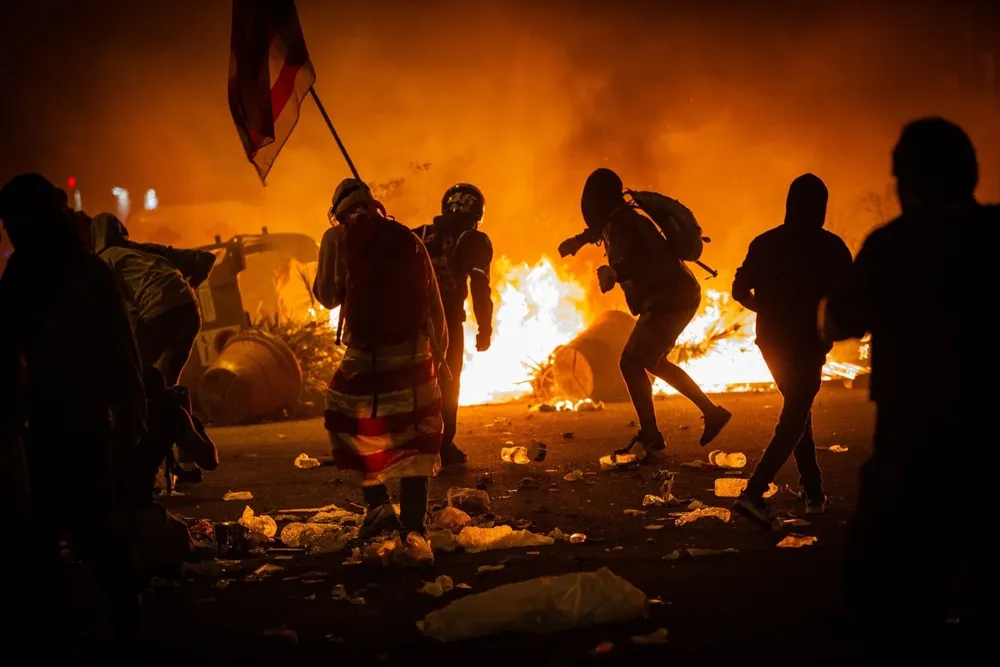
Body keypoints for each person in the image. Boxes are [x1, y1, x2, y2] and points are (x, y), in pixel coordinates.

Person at [819, 118, 996, 662]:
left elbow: (837, 321)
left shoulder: (894, 245)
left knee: (890, 603)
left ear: (907, 181)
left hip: (915, 450)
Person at [0, 174, 148, 641]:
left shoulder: (78, 272)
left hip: (78, 415)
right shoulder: (32, 270)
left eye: (16, 219)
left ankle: (120, 616)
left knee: (80, 523)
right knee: (48, 528)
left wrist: (131, 411)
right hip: (46, 417)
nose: (10, 229)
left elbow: (119, 347)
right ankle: (76, 619)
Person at [559, 168, 732, 459]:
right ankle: (710, 413)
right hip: (670, 297)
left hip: (672, 298)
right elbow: (601, 231)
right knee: (651, 361)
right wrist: (579, 241)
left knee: (630, 362)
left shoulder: (626, 224)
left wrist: (615, 272)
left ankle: (653, 435)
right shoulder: (616, 221)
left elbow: (651, 259)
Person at [314, 178, 449, 538]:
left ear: (337, 212)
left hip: (367, 357)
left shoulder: (336, 238)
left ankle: (378, 506)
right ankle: (415, 527)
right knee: (415, 436)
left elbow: (326, 296)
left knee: (349, 424)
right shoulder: (408, 237)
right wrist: (440, 357)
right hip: (415, 353)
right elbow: (433, 302)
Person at [730, 174, 853, 529]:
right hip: (809, 344)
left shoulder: (764, 243)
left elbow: (739, 290)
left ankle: (813, 493)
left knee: (798, 413)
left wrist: (766, 310)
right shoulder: (832, 247)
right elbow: (848, 299)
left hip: (771, 344)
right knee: (795, 417)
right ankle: (753, 493)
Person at [91, 212, 219, 483]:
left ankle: (156, 453)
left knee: (139, 382)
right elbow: (205, 259)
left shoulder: (104, 261)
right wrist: (183, 291)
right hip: (189, 307)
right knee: (169, 383)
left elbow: (118, 310)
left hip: (159, 311)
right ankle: (186, 460)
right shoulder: (139, 253)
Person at [412, 183, 493, 467]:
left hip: (412, 322)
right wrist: (485, 328)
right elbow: (480, 287)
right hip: (446, 322)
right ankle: (443, 445)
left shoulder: (418, 235)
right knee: (448, 382)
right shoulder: (472, 239)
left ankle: (413, 441)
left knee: (417, 381)